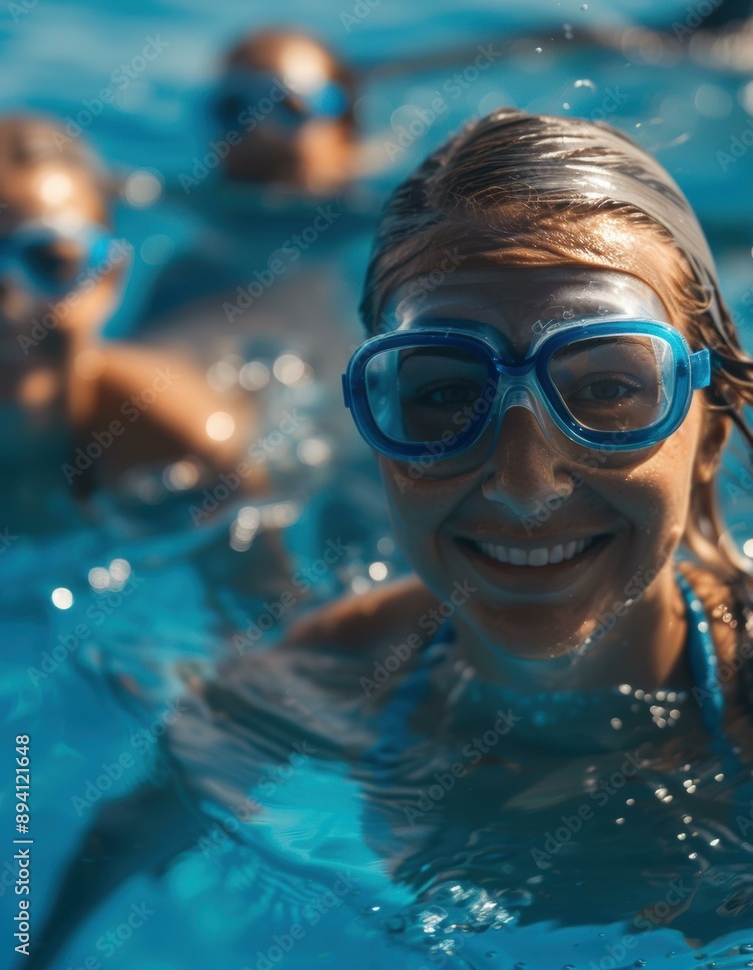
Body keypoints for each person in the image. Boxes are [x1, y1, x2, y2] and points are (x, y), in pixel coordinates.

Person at [24, 109, 753, 969]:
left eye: (605, 389)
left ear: (708, 432)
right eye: (441, 395)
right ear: (373, 428)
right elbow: (115, 849)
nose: (524, 485)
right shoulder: (305, 684)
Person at [0, 114, 269, 535]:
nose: (10, 300)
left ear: (108, 279)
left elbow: (277, 596)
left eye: (49, 261)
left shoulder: (186, 448)